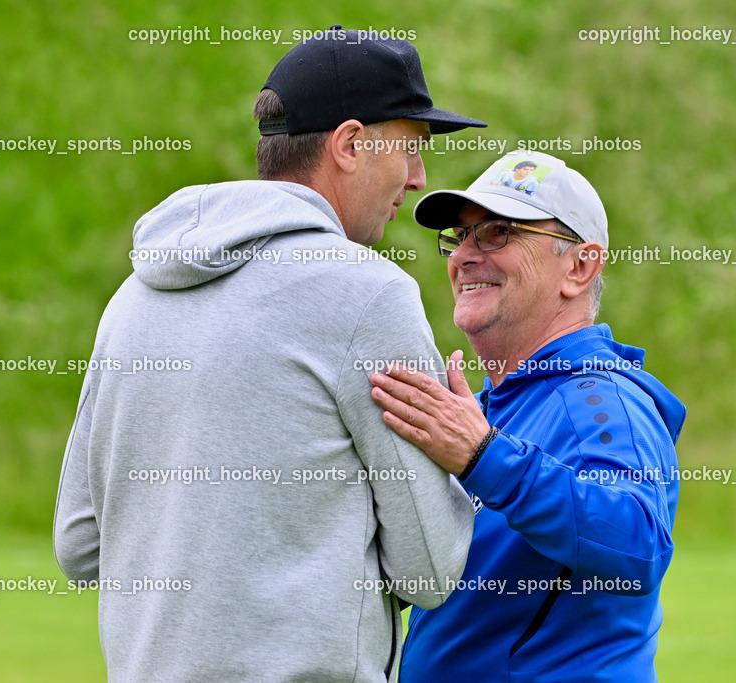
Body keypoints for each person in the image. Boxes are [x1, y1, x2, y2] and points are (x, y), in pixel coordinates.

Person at [53, 26, 485, 682]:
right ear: (349, 144)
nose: (419, 178)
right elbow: (429, 569)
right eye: (412, 148)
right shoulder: (369, 295)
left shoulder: (132, 297)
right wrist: (463, 452)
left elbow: (79, 544)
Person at [370, 150, 686, 681]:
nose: (465, 256)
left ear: (580, 267)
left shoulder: (598, 399)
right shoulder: (498, 410)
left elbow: (637, 547)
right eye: (460, 236)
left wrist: (483, 457)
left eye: (498, 233)